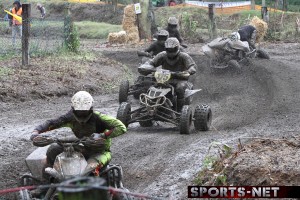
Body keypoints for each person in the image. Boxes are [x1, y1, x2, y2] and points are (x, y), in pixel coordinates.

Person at [30, 91, 127, 176]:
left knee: (90, 169)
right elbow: (51, 123)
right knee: (53, 149)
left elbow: (121, 127)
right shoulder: (69, 117)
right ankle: (46, 183)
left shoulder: (99, 118)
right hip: (80, 147)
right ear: (73, 108)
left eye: (84, 111)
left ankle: (100, 190)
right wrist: (36, 132)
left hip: (99, 151)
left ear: (90, 108)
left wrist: (103, 135)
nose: (81, 114)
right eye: (79, 111)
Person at [141, 37, 196, 111]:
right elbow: (151, 62)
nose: (171, 51)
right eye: (169, 49)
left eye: (172, 49)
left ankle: (180, 111)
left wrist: (189, 71)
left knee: (180, 89)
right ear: (166, 48)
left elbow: (192, 66)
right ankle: (147, 106)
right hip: (164, 78)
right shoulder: (162, 55)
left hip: (179, 78)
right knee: (148, 84)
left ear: (177, 47)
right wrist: (147, 66)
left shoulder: (184, 56)